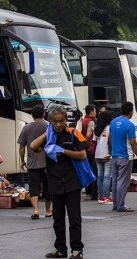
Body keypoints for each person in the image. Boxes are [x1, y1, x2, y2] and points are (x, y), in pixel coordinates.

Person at [30, 105, 86, 259]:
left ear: (65, 120)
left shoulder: (74, 134)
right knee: (58, 219)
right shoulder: (48, 136)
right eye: (55, 122)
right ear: (50, 122)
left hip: (72, 182)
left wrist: (63, 151)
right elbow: (33, 146)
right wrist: (47, 132)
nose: (59, 124)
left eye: (61, 121)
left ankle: (77, 250)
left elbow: (82, 155)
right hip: (54, 183)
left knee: (74, 218)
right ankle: (61, 249)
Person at [17, 105, 52, 219]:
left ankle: (36, 210)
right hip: (47, 163)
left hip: (32, 164)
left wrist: (22, 161)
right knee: (48, 187)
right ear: (43, 114)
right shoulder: (48, 126)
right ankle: (47, 211)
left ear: (32, 115)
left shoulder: (26, 127)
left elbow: (22, 146)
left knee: (33, 187)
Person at [110, 102, 137, 212]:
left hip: (114, 156)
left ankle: (115, 204)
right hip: (125, 156)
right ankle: (121, 205)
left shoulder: (113, 122)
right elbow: (133, 143)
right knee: (122, 182)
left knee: (115, 181)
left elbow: (110, 138)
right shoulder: (129, 125)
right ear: (131, 112)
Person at [93, 111, 117, 204]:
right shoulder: (110, 127)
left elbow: (94, 140)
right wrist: (110, 153)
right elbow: (111, 141)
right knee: (107, 176)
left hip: (97, 154)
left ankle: (100, 196)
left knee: (100, 176)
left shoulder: (96, 129)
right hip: (107, 154)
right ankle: (106, 196)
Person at [82, 105, 98, 201]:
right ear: (91, 112)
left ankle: (88, 193)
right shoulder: (91, 121)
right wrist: (84, 144)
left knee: (87, 170)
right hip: (90, 148)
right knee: (93, 170)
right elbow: (88, 135)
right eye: (95, 111)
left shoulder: (83, 120)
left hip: (86, 149)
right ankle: (92, 193)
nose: (96, 113)